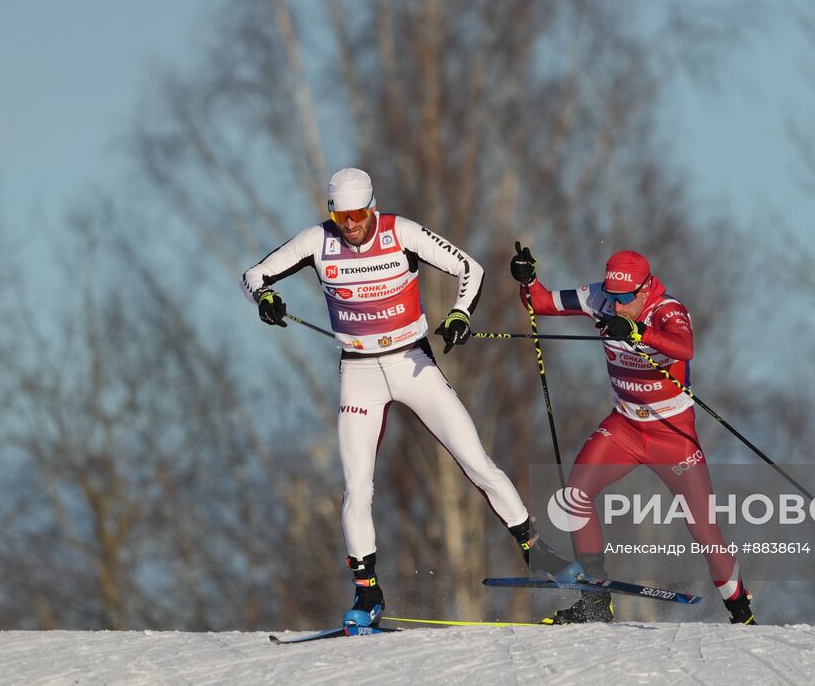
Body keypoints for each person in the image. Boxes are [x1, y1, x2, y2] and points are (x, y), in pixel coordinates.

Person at [242, 168, 580, 627]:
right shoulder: (316, 242)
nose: (351, 224)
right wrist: (264, 298)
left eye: (359, 214)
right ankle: (367, 592)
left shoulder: (400, 232)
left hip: (412, 364)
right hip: (359, 372)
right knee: (356, 486)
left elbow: (470, 268)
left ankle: (537, 551)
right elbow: (254, 274)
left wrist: (460, 314)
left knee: (476, 461)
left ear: (372, 207)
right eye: (341, 215)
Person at [511, 243, 755, 625]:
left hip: (671, 433)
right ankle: (594, 599)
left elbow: (684, 347)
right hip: (624, 426)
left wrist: (639, 331)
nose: (617, 305)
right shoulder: (600, 297)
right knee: (574, 494)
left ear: (645, 290)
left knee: (702, 526)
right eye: (613, 297)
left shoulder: (669, 310)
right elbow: (540, 303)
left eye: (626, 299)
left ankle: (740, 609)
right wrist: (528, 279)